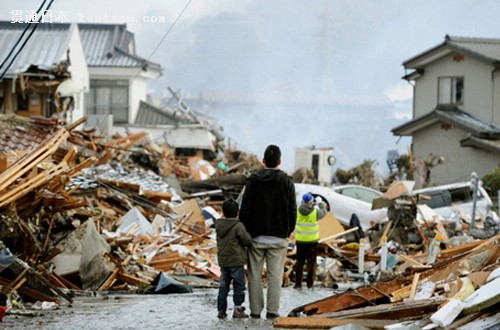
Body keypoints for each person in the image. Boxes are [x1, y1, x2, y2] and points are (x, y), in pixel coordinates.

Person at [239, 144, 297, 319]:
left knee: (254, 276)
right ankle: (273, 311)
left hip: (256, 237)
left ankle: (255, 311)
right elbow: (292, 209)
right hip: (279, 237)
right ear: (279, 161)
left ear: (263, 161)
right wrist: (288, 230)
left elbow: (245, 209)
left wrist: (246, 233)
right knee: (275, 276)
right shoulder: (287, 182)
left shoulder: (253, 181)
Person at [215, 199, 253, 319]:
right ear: (237, 212)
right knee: (238, 285)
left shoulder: (219, 225)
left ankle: (221, 310)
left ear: (223, 212)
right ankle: (237, 309)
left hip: (224, 261)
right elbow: (247, 241)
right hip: (236, 260)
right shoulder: (238, 225)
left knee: (223, 286)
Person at [294, 193, 327, 289]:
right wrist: (320, 204)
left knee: (299, 263)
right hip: (312, 242)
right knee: (311, 265)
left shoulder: (297, 211)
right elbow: (324, 212)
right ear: (310, 202)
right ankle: (309, 284)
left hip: (300, 242)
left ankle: (298, 284)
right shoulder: (315, 212)